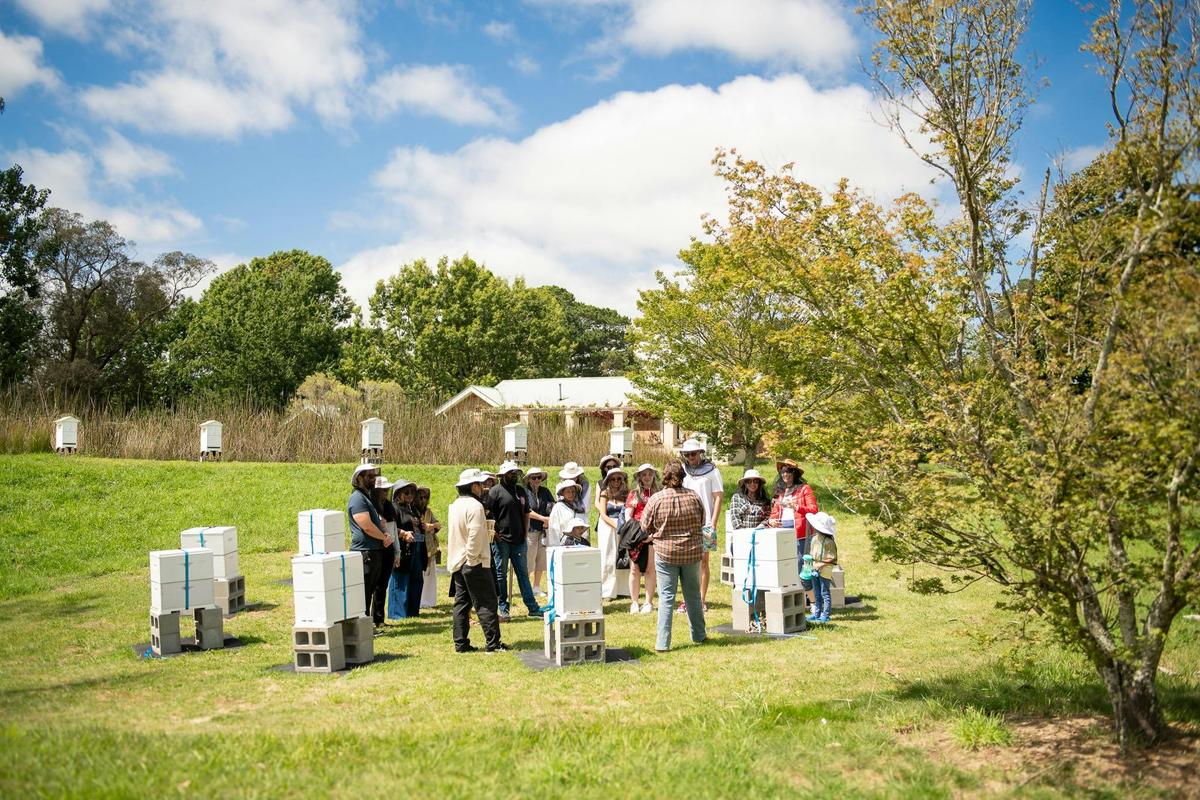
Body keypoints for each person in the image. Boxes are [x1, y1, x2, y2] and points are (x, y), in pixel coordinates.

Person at [640, 460, 707, 652]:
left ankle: (662, 643)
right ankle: (699, 636)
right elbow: (702, 520)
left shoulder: (656, 499)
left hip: (666, 552)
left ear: (665, 477)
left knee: (667, 597)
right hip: (692, 552)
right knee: (693, 595)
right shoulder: (694, 496)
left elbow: (644, 526)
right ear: (683, 476)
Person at [447, 468, 507, 653]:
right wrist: (473, 558)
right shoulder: (475, 506)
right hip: (474, 561)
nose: (482, 488)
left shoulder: (455, 505)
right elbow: (473, 534)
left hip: (458, 560)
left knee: (462, 604)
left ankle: (460, 643)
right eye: (480, 485)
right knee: (486, 602)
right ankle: (493, 644)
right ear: (473, 487)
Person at [484, 461, 543, 621]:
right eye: (511, 473)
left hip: (519, 541)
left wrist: (524, 532)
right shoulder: (494, 492)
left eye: (516, 473)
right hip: (501, 540)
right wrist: (495, 534)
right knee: (501, 576)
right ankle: (503, 609)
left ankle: (532, 607)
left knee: (523, 575)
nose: (514, 475)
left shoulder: (521, 491)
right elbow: (487, 515)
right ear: (503, 475)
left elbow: (526, 512)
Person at [678, 438, 724, 614]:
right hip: (686, 523)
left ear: (700, 453)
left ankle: (701, 600)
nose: (691, 457)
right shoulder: (683, 471)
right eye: (687, 454)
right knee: (686, 562)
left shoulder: (713, 471)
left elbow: (718, 497)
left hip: (706, 523)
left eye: (694, 454)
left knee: (703, 561)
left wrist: (713, 522)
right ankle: (686, 600)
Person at [347, 463, 394, 633]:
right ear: (359, 478)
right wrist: (384, 537)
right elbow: (365, 525)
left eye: (374, 476)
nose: (373, 480)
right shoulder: (358, 498)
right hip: (365, 552)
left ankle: (367, 628)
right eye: (369, 476)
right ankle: (363, 630)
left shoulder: (365, 497)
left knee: (370, 589)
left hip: (372, 551)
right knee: (364, 593)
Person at [623, 463, 659, 613]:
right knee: (634, 568)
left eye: (649, 474)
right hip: (636, 535)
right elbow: (628, 515)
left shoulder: (659, 493)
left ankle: (648, 602)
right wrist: (636, 533)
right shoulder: (634, 494)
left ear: (654, 476)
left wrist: (652, 535)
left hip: (653, 533)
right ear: (639, 477)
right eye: (643, 475)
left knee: (651, 568)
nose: (647, 478)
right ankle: (634, 602)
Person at [387, 479, 425, 619]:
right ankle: (397, 614)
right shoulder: (393, 508)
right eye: (406, 492)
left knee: (416, 580)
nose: (410, 496)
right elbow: (388, 528)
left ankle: (412, 612)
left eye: (412, 493)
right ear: (398, 494)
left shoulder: (412, 508)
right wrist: (403, 534)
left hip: (416, 547)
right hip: (402, 548)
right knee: (400, 580)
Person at [769, 458, 818, 559]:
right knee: (784, 561)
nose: (785, 474)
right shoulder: (780, 491)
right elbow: (774, 512)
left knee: (800, 562)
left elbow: (813, 510)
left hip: (800, 532)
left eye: (788, 471)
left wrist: (796, 506)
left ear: (795, 473)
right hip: (781, 530)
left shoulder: (804, 489)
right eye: (783, 471)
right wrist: (771, 520)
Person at [594, 466, 628, 602]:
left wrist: (622, 526)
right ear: (608, 480)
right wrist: (615, 525)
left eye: (619, 478)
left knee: (622, 556)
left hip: (622, 526)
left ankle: (623, 589)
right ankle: (607, 591)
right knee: (608, 557)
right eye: (613, 478)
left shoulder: (627, 493)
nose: (616, 481)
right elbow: (602, 513)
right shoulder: (604, 493)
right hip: (607, 526)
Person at [370, 475, 397, 626]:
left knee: (383, 585)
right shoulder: (371, 507)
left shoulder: (388, 507)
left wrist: (396, 551)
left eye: (387, 490)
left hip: (389, 548)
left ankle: (379, 618)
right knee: (375, 585)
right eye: (383, 490)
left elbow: (393, 530)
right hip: (377, 549)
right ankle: (373, 619)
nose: (386, 492)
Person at [523, 468, 553, 598]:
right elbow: (526, 511)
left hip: (544, 530)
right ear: (528, 479)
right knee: (529, 559)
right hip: (530, 530)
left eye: (539, 477)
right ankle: (527, 588)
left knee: (541, 559)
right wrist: (542, 518)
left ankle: (536, 586)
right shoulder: (524, 492)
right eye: (533, 478)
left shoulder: (545, 491)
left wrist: (549, 520)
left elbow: (552, 506)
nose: (536, 480)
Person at [805, 511, 839, 624]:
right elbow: (811, 555)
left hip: (825, 569)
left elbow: (833, 558)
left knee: (825, 592)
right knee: (816, 592)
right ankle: (816, 613)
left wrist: (821, 564)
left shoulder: (829, 542)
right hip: (814, 568)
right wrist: (808, 567)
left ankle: (826, 614)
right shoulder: (814, 539)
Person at [415, 487, 442, 609]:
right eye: (420, 497)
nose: (423, 500)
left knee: (430, 576)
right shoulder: (413, 511)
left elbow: (438, 525)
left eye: (425, 498)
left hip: (430, 547)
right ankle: (420, 601)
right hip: (418, 547)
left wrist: (431, 526)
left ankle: (429, 601)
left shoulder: (428, 512)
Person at [548, 480, 586, 546]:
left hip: (578, 543)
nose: (571, 494)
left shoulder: (578, 506)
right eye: (568, 492)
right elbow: (553, 529)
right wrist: (555, 547)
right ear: (563, 493)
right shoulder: (558, 507)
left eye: (573, 491)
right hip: (563, 544)